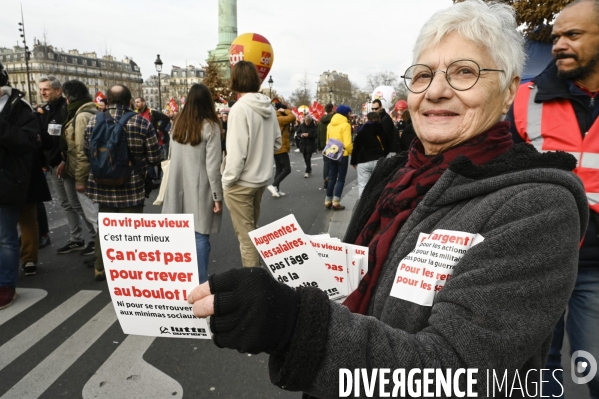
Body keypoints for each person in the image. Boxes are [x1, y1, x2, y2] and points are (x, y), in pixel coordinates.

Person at [186, 1, 590, 397]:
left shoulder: (538, 207)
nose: (435, 91)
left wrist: (293, 324)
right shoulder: (393, 174)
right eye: (422, 75)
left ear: (507, 92)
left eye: (464, 72)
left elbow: (454, 373)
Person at [506, 1, 599, 396]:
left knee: (593, 369)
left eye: (572, 35)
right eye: (557, 35)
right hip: (535, 261)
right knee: (535, 373)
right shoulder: (524, 99)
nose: (559, 44)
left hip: (594, 268)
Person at [83, 85, 162, 281]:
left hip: (102, 183)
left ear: (106, 101)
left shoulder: (93, 121)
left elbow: (87, 152)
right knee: (131, 229)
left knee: (105, 227)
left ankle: (100, 267)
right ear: (129, 102)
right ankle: (129, 271)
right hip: (131, 184)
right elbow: (154, 157)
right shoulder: (141, 123)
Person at [221, 61, 281, 268]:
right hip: (260, 179)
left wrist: (227, 181)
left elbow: (236, 153)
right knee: (252, 234)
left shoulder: (239, 109)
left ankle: (253, 288)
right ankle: (257, 281)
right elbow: (277, 142)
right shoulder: (269, 107)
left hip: (241, 182)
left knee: (246, 240)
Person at [162, 84, 223, 284]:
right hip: (200, 188)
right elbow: (214, 167)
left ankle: (181, 280)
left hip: (176, 185)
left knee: (180, 235)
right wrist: (217, 197)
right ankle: (200, 281)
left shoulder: (177, 123)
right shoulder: (210, 126)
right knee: (200, 236)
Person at [0, 61, 42, 308]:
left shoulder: (18, 107)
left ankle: (6, 285)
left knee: (5, 237)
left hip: (7, 181)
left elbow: (29, 142)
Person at [39, 76, 95, 256]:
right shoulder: (45, 110)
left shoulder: (68, 110)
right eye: (41, 89)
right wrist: (44, 161)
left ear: (58, 91)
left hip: (66, 164)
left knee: (77, 203)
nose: (42, 93)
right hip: (53, 163)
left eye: (46, 89)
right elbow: (45, 137)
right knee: (65, 203)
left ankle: (95, 239)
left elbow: (73, 143)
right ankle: (76, 238)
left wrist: (64, 160)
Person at [62, 80, 100, 268]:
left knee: (95, 216)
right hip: (93, 172)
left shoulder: (82, 116)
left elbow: (80, 150)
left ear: (68, 97)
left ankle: (102, 258)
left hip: (86, 174)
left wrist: (80, 178)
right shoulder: (91, 110)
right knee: (96, 215)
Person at [350, 111, 387, 196]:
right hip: (378, 159)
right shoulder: (381, 129)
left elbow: (356, 146)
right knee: (378, 185)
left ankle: (361, 207)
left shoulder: (362, 130)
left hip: (363, 160)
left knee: (363, 185)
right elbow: (386, 143)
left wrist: (353, 161)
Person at [324, 104, 353, 210]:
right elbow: (348, 143)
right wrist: (351, 153)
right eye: (349, 113)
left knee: (332, 178)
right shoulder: (346, 125)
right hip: (343, 154)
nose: (350, 115)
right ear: (345, 113)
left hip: (332, 153)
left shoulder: (330, 125)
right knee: (341, 179)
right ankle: (336, 202)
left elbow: (328, 140)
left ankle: (327, 200)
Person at [267, 103, 296, 197]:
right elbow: (292, 117)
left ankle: (276, 190)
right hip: (281, 147)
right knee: (287, 169)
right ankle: (273, 185)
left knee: (279, 169)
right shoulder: (279, 118)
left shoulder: (273, 117)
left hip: (275, 146)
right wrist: (285, 111)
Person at [317, 103, 334, 189]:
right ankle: (331, 179)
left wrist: (319, 146)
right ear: (332, 109)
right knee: (333, 163)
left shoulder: (321, 121)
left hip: (324, 144)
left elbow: (319, 134)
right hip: (333, 144)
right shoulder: (334, 119)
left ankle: (326, 179)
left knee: (326, 163)